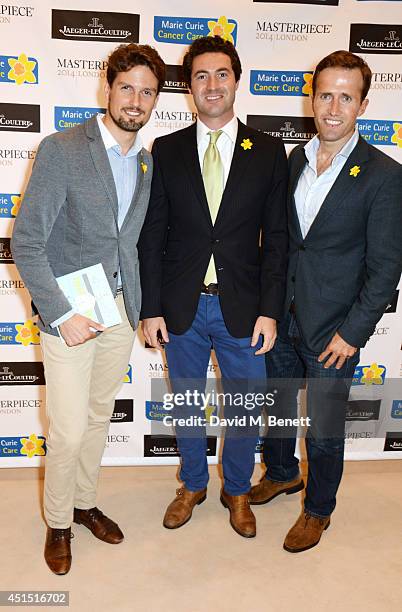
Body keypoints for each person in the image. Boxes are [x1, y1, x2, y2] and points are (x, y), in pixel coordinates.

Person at [11, 43, 165, 574]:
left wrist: (143, 310)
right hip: (70, 314)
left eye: (148, 91)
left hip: (120, 311)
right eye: (128, 88)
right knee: (69, 429)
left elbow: (135, 243)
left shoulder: (146, 160)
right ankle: (57, 522)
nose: (136, 100)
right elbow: (27, 241)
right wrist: (60, 314)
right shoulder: (63, 148)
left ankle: (82, 504)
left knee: (99, 418)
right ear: (108, 88)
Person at [250, 50, 402, 552]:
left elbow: (385, 270)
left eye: (345, 97)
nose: (332, 107)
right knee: (276, 411)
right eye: (324, 95)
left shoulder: (383, 174)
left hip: (334, 332)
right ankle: (280, 474)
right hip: (284, 321)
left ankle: (318, 511)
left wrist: (352, 334)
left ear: (362, 104)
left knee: (323, 431)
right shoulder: (294, 158)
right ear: (311, 98)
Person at [139, 36, 288, 538]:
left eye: (221, 74)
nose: (212, 85)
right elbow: (152, 235)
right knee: (185, 403)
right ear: (190, 87)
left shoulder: (268, 151)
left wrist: (270, 310)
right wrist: (151, 307)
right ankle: (193, 485)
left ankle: (238, 489)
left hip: (243, 309)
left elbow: (279, 242)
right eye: (201, 76)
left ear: (236, 80)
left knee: (245, 409)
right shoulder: (167, 149)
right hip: (181, 308)